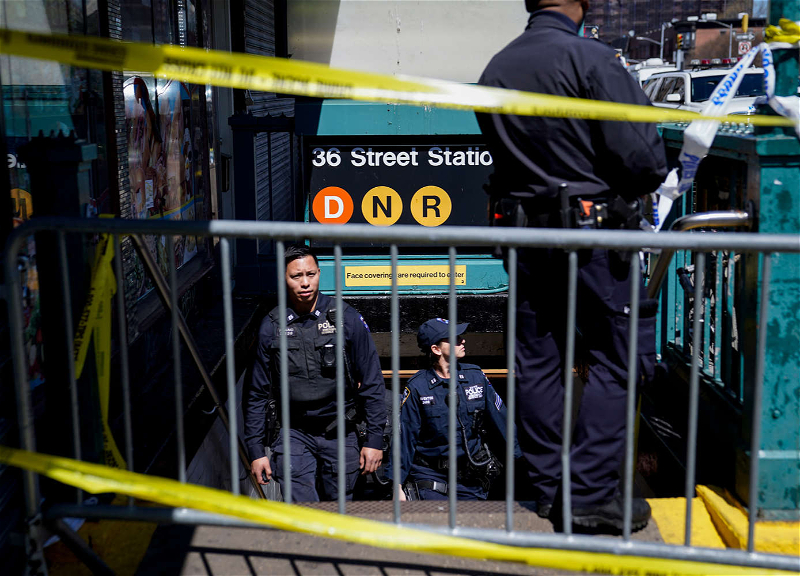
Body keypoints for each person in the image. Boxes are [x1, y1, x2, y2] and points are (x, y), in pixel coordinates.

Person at [477, 0, 667, 529]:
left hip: (526, 238)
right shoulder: (592, 60)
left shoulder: (498, 67)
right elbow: (644, 160)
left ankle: (550, 489)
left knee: (538, 360)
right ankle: (585, 494)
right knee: (624, 357)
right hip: (593, 239)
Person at [243, 245, 386, 501]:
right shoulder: (271, 327)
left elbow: (373, 382)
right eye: (296, 276)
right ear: (283, 279)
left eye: (311, 274)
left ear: (320, 273)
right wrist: (256, 450)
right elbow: (256, 393)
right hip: (293, 432)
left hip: (340, 431)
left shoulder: (346, 319)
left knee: (342, 514)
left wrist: (374, 440)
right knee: (303, 515)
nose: (305, 282)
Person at [387, 318, 520, 500]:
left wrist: (524, 462)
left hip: (471, 477)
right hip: (431, 477)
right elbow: (405, 438)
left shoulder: (476, 377)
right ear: (436, 349)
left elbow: (503, 421)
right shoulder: (418, 386)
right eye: (455, 338)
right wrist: (397, 485)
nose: (462, 341)